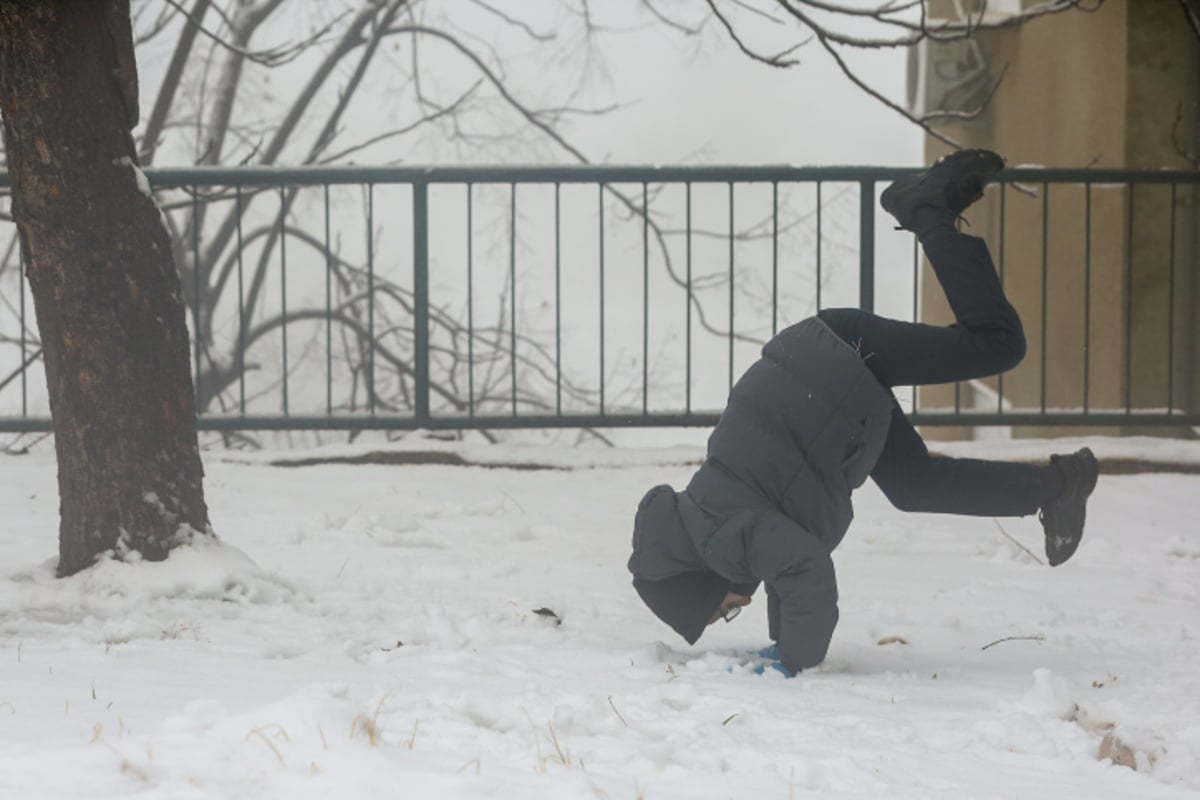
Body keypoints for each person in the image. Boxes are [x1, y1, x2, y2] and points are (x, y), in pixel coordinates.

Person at [627, 150, 1099, 677]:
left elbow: (801, 566)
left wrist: (794, 661)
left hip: (841, 359)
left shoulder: (723, 536)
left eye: (724, 609)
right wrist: (783, 641)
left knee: (997, 344)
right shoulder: (714, 517)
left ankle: (926, 209)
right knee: (914, 485)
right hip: (834, 376)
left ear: (702, 578)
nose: (739, 605)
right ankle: (1060, 485)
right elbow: (784, 553)